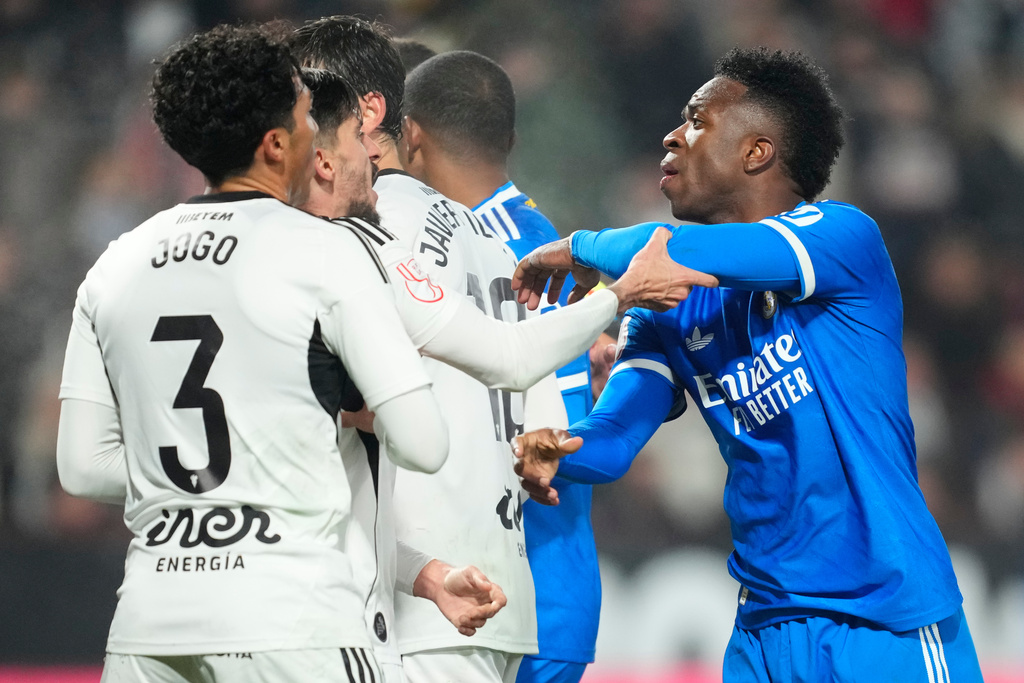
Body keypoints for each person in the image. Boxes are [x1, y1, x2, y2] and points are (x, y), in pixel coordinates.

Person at [511, 47, 985, 682]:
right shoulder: (666, 307)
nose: (672, 136)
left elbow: (668, 248)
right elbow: (615, 440)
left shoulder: (843, 239)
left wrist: (579, 246)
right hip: (764, 630)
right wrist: (555, 449)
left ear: (756, 152)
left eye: (696, 121)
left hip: (883, 621)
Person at [291, 20, 712, 683]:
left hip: (501, 582)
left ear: (399, 132)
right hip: (486, 584)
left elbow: (552, 442)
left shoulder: (497, 244)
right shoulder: (495, 234)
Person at [54, 25, 451, 683]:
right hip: (290, 619)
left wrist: (204, 477)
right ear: (276, 144)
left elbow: (81, 467)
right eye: (306, 116)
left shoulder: (114, 264)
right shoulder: (327, 252)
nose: (316, 132)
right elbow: (425, 443)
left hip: (149, 628)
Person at [400, 49, 600, 683]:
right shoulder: (523, 233)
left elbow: (560, 432)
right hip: (507, 589)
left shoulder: (523, 251)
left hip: (521, 585)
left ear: (406, 136)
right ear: (510, 139)